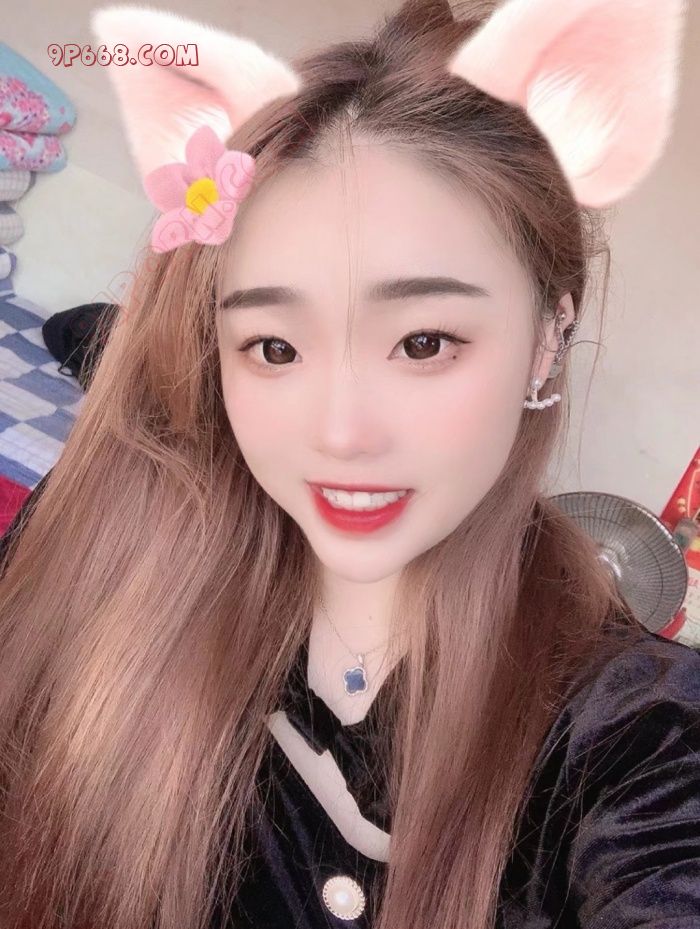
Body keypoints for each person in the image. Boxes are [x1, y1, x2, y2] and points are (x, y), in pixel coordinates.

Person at [0, 1, 697, 927]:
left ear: (546, 338)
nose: (340, 433)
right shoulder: (108, 533)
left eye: (422, 342)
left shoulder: (634, 736)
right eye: (275, 348)